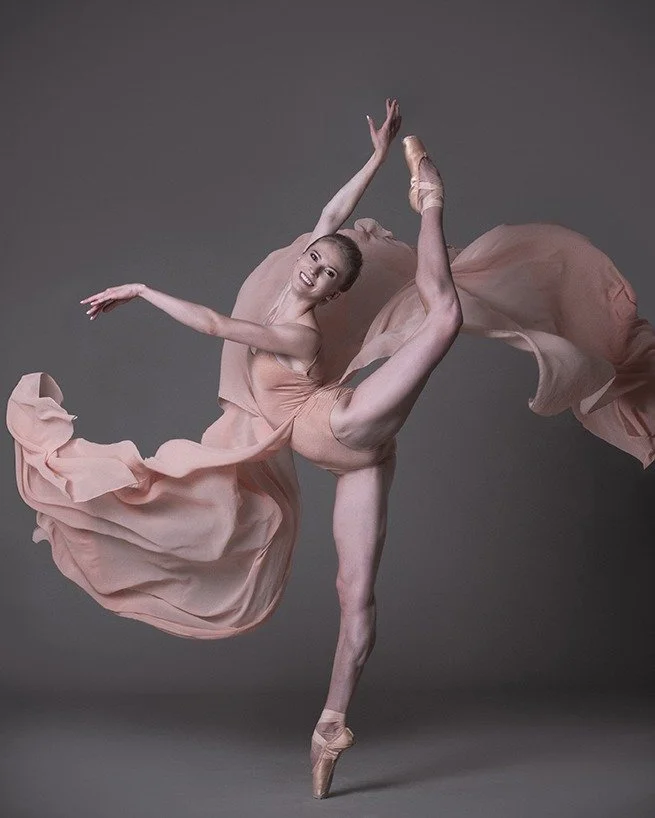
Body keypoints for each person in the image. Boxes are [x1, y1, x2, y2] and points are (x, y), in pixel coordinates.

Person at [7, 99, 655, 799]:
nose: (310, 273)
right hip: (348, 449)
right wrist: (376, 155)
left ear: (336, 293)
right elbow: (330, 216)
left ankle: (431, 199)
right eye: (312, 263)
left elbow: (215, 323)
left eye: (325, 277)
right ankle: (331, 733)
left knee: (442, 321)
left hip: (342, 429)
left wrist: (142, 290)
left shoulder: (300, 334)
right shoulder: (302, 265)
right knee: (352, 593)